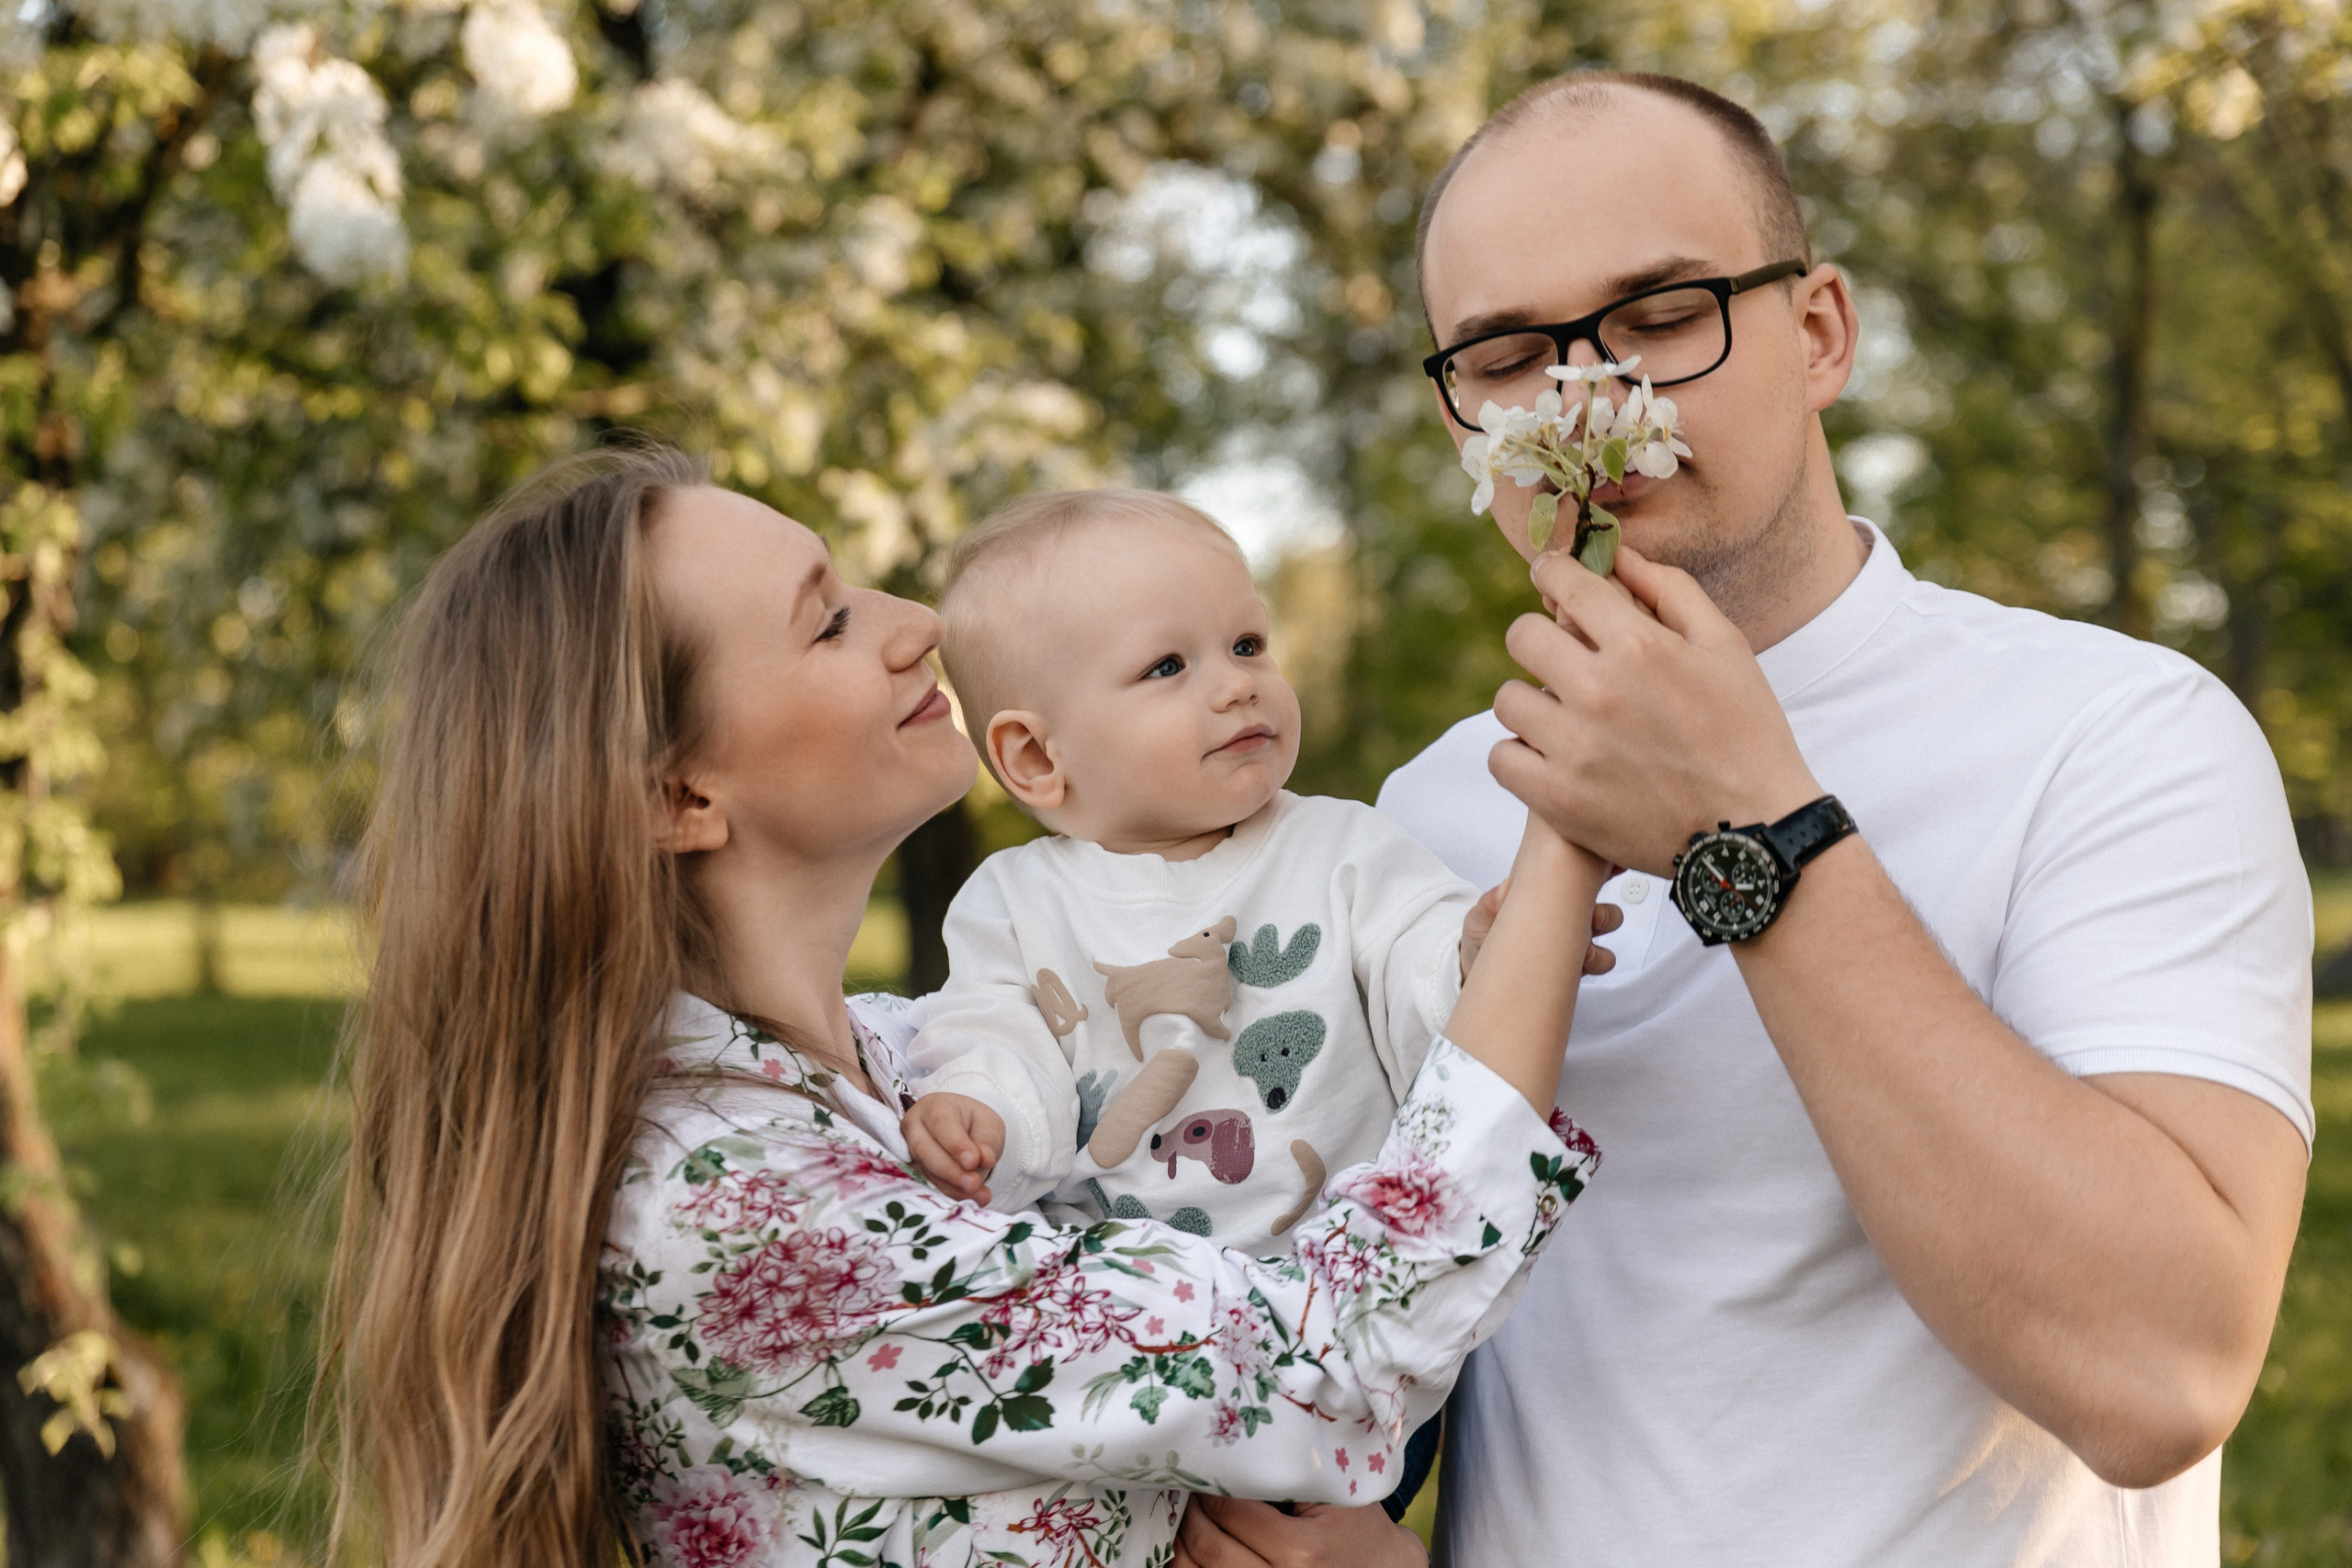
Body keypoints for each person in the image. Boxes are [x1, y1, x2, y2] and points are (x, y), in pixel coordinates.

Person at [1185, 69, 2313, 1568]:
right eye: (1513, 353)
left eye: (1662, 316)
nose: (1595, 395)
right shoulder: (1425, 814)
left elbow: (2159, 1373)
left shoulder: (2117, 735)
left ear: (1820, 331)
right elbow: (1357, 1325)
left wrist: (1750, 832)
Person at [321, 446, 1611, 1568]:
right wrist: (1572, 825)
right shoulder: (727, 1203)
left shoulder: (898, 1058)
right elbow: (1327, 1362)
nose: (914, 620)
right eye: (826, 621)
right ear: (679, 797)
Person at [899, 489, 1592, 1258]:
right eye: (1168, 665)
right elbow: (999, 1039)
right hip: (1143, 1317)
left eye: (1247, 644)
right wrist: (981, 1110)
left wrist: (1475, 957)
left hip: (1348, 1296)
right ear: (1036, 756)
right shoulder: (1014, 905)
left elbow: (1418, 973)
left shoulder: (1341, 846)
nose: (1237, 684)